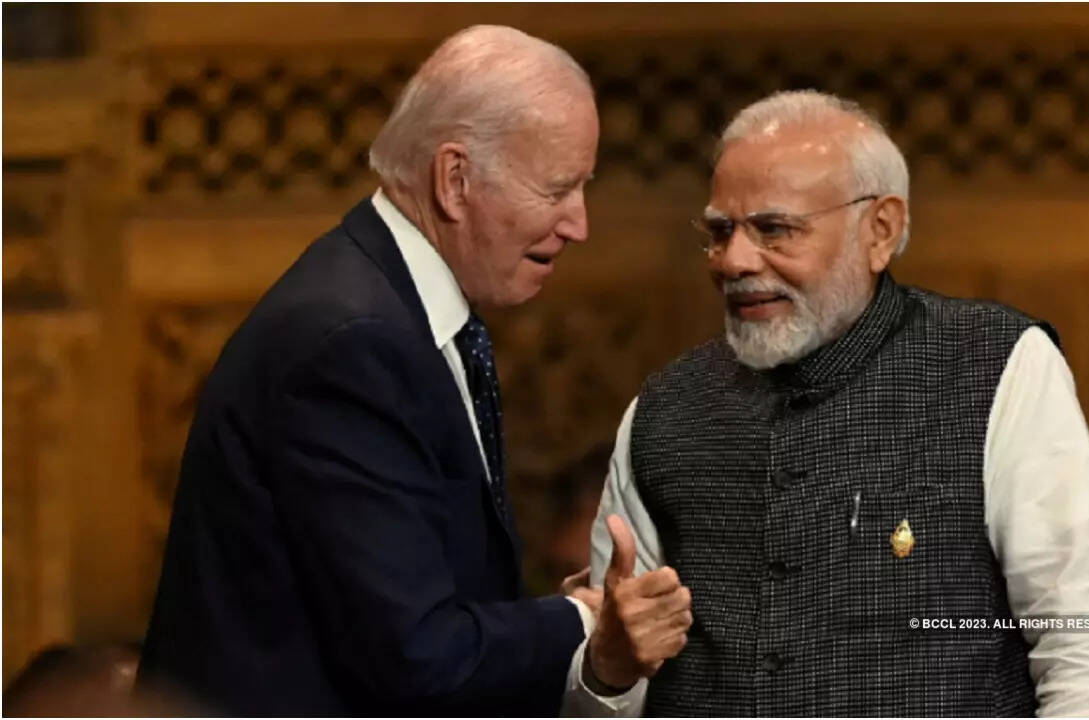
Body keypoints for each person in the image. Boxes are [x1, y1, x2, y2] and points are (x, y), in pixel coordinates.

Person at [137, 25, 689, 716]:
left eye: (584, 188)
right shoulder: (349, 342)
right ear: (455, 180)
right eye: (557, 189)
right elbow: (415, 656)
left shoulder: (395, 308)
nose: (579, 224)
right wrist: (584, 620)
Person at [565, 90, 1089, 716]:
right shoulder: (665, 410)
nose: (734, 261)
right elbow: (599, 698)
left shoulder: (995, 365)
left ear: (880, 230)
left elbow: (1088, 650)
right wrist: (606, 669)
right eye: (719, 232)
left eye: (773, 229)